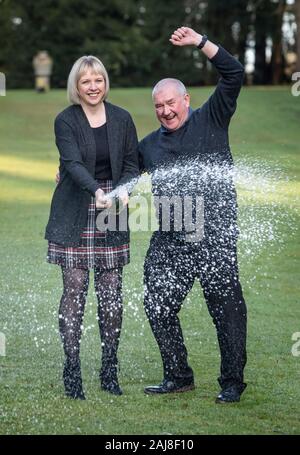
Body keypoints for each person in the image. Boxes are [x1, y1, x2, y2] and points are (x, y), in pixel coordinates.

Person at [139, 27, 247, 403]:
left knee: (226, 309)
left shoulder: (212, 117)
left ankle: (232, 382)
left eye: (171, 102)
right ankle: (178, 375)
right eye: (158, 106)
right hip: (170, 237)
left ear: (186, 99)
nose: (165, 111)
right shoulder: (149, 146)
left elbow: (234, 74)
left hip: (215, 232)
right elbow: (117, 173)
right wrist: (70, 169)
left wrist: (201, 42)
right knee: (156, 301)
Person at [45, 55, 139, 399]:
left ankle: (109, 369)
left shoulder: (123, 119)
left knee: (112, 292)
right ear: (76, 86)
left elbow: (132, 163)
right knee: (74, 290)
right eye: (85, 81)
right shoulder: (65, 121)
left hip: (111, 210)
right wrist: (98, 190)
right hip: (76, 208)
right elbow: (70, 163)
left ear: (105, 82)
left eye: (98, 79)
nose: (93, 86)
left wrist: (124, 189)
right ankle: (72, 368)